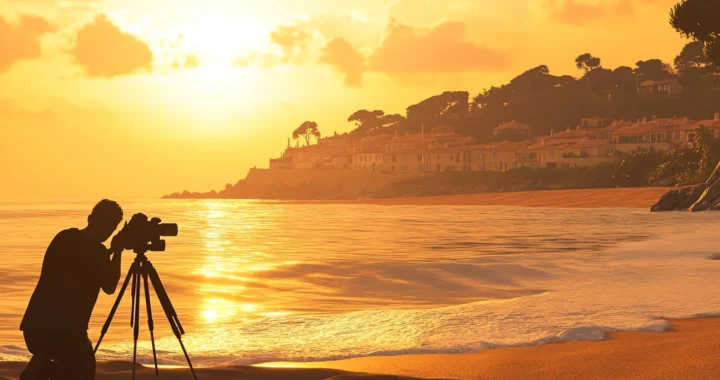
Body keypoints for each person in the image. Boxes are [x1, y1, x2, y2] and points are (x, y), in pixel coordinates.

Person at [19, 199, 127, 380]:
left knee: (64, 363)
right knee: (83, 370)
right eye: (111, 226)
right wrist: (117, 251)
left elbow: (78, 265)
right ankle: (42, 367)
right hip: (66, 332)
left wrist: (108, 252)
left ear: (90, 217)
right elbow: (109, 286)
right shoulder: (98, 253)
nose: (109, 231)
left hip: (34, 326)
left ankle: (41, 364)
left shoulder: (64, 237)